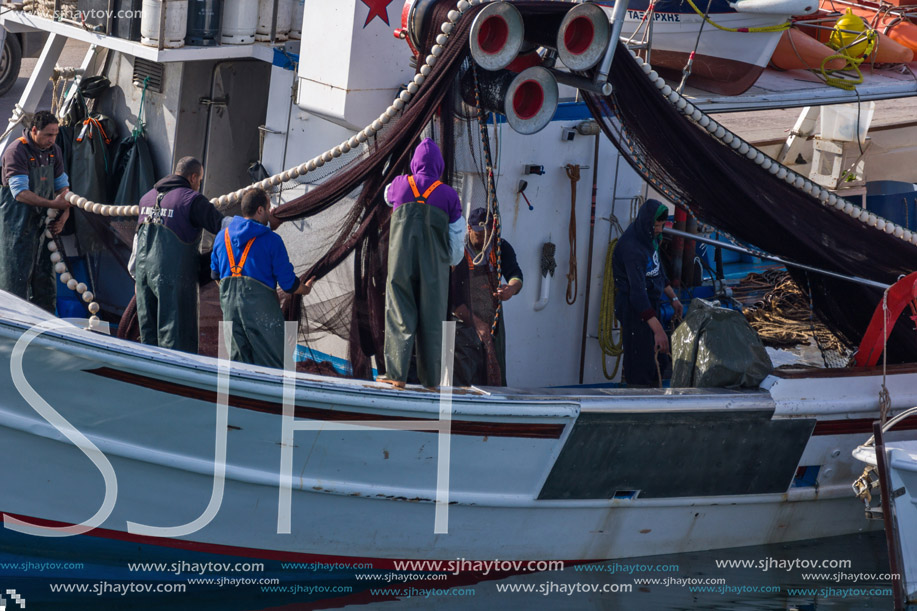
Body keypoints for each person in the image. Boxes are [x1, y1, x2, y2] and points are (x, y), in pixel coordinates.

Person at [377, 138, 465, 389]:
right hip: (435, 267)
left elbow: (385, 196)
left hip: (401, 261)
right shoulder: (449, 195)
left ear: (415, 163)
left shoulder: (400, 185)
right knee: (433, 317)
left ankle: (396, 374)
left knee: (398, 310)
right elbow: (458, 237)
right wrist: (452, 261)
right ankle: (430, 380)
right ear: (439, 165)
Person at [211, 188, 313, 368]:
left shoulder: (221, 237)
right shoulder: (273, 241)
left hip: (229, 311)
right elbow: (289, 284)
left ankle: (237, 397)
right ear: (260, 210)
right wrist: (306, 288)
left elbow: (215, 275)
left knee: (236, 364)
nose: (270, 210)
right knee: (274, 364)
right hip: (262, 314)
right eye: (268, 207)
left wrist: (234, 294)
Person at [135, 156, 224, 354]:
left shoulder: (146, 198)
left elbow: (137, 242)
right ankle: (173, 381)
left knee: (149, 336)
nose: (199, 185)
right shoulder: (192, 200)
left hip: (143, 278)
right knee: (176, 339)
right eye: (199, 180)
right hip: (174, 280)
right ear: (193, 177)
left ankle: (147, 379)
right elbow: (225, 228)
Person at [0, 111, 71, 312]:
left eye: (55, 134)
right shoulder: (17, 151)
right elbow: (20, 193)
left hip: (41, 229)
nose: (53, 139)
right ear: (34, 130)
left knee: (44, 282)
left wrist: (64, 213)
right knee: (15, 282)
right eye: (49, 134)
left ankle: (44, 326)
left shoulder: (53, 152)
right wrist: (53, 205)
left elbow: (62, 186)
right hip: (17, 229)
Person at [612, 199, 684, 386]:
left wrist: (673, 297)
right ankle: (638, 394)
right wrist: (658, 330)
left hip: (651, 304)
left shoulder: (650, 239)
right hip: (634, 308)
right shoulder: (632, 248)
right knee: (640, 360)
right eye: (657, 226)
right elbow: (637, 294)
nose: (660, 230)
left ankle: (655, 386)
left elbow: (657, 271)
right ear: (647, 224)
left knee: (658, 359)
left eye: (662, 225)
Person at [450, 207, 523, 387]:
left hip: (493, 321)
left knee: (495, 371)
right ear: (469, 229)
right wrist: (477, 325)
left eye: (487, 233)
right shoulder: (457, 251)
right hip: (462, 322)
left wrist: (511, 289)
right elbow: (452, 300)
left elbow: (516, 275)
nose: (483, 238)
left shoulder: (500, 247)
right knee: (464, 374)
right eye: (478, 233)